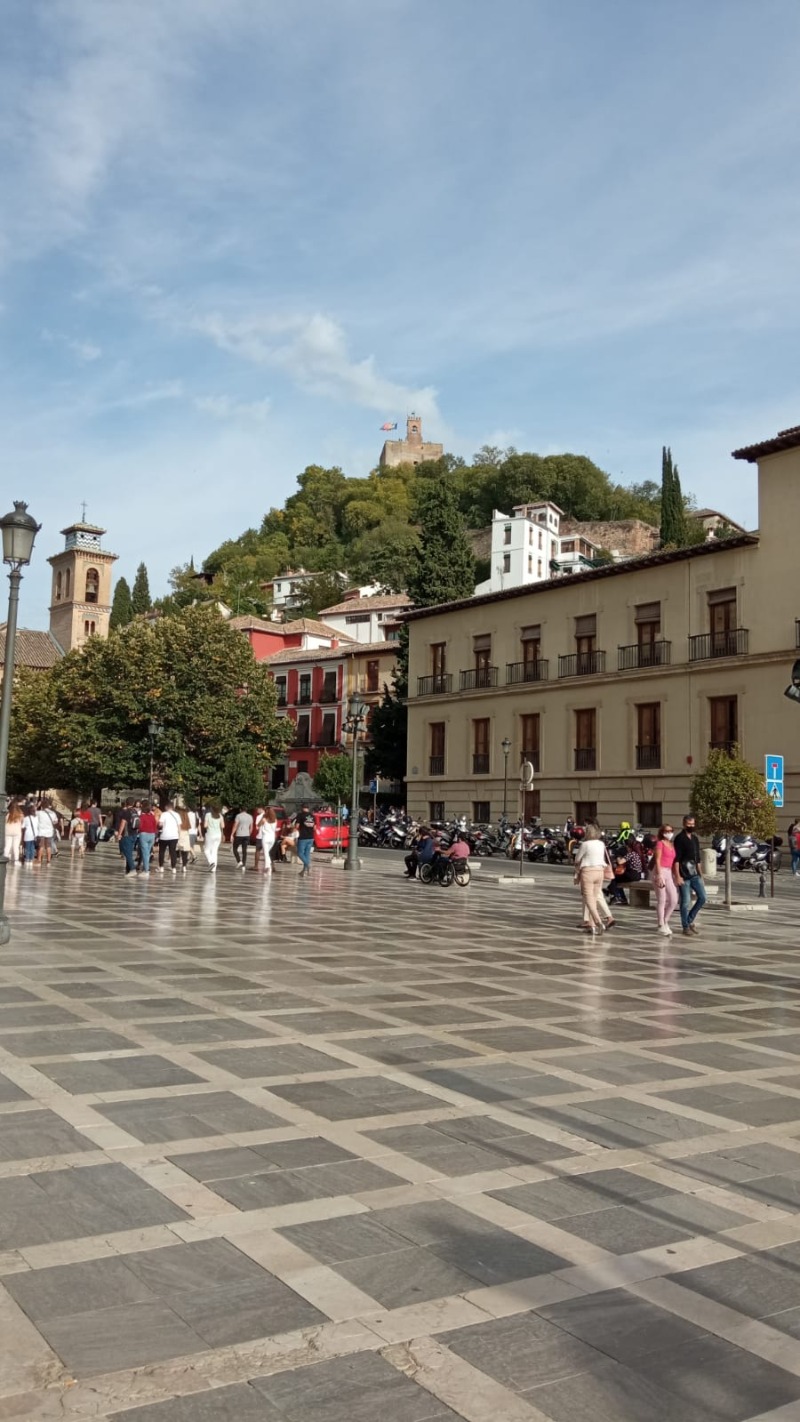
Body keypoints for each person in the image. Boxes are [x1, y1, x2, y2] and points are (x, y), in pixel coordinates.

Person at [674, 813, 706, 937]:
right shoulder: (680, 839)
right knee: (685, 902)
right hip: (684, 874)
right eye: (689, 824)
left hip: (694, 874)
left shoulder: (695, 839)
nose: (691, 826)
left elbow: (697, 859)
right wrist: (678, 876)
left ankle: (690, 919)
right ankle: (685, 926)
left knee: (702, 897)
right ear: (684, 824)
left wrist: (701, 875)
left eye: (693, 824)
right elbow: (676, 859)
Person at [573, 823, 607, 934]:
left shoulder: (585, 844)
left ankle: (598, 922)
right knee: (595, 897)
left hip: (588, 872)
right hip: (600, 871)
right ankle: (591, 926)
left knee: (589, 899)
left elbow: (577, 859)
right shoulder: (601, 844)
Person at [651, 824, 678, 936]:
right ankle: (660, 924)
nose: (669, 833)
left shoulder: (672, 845)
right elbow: (657, 860)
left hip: (668, 872)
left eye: (671, 830)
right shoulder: (659, 843)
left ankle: (666, 920)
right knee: (662, 899)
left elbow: (673, 861)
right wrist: (659, 875)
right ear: (662, 832)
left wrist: (675, 875)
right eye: (666, 831)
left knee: (673, 899)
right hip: (660, 871)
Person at [116, 799, 138, 875]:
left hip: (127, 834)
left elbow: (123, 823)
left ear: (126, 803)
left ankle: (132, 869)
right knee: (130, 852)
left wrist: (119, 834)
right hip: (134, 834)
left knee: (127, 852)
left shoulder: (126, 812)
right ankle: (128, 869)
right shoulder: (135, 811)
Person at [157, 802, 181, 873]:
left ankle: (161, 867)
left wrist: (160, 825)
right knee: (173, 852)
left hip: (164, 836)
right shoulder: (177, 815)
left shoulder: (164, 814)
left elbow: (160, 824)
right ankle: (173, 868)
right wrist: (179, 835)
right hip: (174, 836)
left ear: (167, 807)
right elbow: (179, 826)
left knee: (162, 851)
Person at [137, 801, 157, 874]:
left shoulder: (142, 816)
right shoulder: (152, 816)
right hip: (152, 835)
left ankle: (146, 870)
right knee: (147, 853)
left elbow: (140, 826)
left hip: (144, 834)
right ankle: (145, 867)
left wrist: (138, 831)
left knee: (145, 853)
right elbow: (155, 826)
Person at [296, 805, 315, 877]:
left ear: (302, 808)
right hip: (311, 837)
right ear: (308, 808)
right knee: (307, 854)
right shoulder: (312, 816)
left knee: (300, 853)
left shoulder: (300, 815)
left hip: (303, 837)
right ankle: (303, 871)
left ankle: (308, 865)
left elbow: (297, 826)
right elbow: (315, 828)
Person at [35, 800, 57, 867]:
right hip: (49, 832)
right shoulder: (53, 813)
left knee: (41, 846)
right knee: (48, 846)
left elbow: (33, 811)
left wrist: (37, 805)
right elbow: (55, 822)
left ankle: (39, 861)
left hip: (41, 831)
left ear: (42, 806)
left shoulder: (39, 813)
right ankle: (48, 861)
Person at [203, 805, 223, 872]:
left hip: (210, 834)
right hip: (218, 835)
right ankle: (213, 869)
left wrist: (209, 825)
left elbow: (205, 825)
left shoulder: (208, 815)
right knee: (215, 851)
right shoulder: (220, 816)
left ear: (212, 809)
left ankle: (211, 862)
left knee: (206, 850)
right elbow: (223, 826)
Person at [258, 807, 278, 872]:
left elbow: (258, 825)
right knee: (267, 852)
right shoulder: (275, 820)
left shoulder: (264, 819)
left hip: (265, 837)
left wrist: (263, 817)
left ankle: (268, 866)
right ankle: (268, 865)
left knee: (266, 853)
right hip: (272, 837)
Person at [5, 801, 23, 866]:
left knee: (7, 846)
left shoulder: (7, 814)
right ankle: (16, 860)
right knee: (16, 847)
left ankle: (5, 859)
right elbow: (23, 824)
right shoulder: (20, 815)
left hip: (8, 832)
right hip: (17, 832)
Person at [177, 809, 192, 873]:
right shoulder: (187, 818)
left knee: (175, 850)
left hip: (179, 833)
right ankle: (184, 866)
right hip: (186, 833)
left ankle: (173, 866)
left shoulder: (178, 818)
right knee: (184, 852)